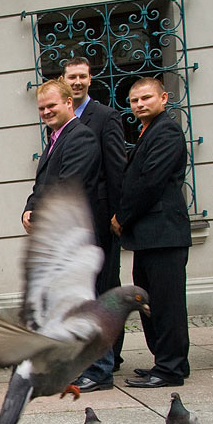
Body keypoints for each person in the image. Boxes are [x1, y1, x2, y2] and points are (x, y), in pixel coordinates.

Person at [112, 77, 191, 388]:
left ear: (163, 98)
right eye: (134, 100)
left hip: (164, 234)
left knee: (167, 305)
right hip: (149, 236)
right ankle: (164, 362)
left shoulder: (167, 130)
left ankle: (171, 368)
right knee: (150, 303)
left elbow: (150, 181)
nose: (139, 104)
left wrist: (122, 217)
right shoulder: (148, 132)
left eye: (146, 98)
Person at [61, 57, 128, 389]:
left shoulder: (104, 116)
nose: (77, 81)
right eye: (71, 76)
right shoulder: (60, 121)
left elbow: (116, 169)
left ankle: (103, 366)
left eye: (82, 76)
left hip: (100, 221)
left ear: (90, 80)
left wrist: (118, 214)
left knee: (101, 290)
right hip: (75, 224)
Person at [22, 80, 100, 233]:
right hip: (54, 234)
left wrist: (36, 216)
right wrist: (28, 210)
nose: (46, 112)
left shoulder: (81, 136)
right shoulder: (54, 139)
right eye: (41, 108)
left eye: (51, 106)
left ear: (68, 102)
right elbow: (41, 186)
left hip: (73, 233)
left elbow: (68, 186)